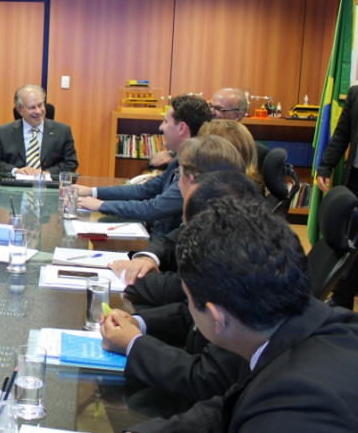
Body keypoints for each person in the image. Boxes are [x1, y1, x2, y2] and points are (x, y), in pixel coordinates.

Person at [126, 196, 358, 432]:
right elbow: (230, 406)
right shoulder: (318, 326)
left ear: (217, 318)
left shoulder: (292, 413)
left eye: (189, 299)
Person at [101, 172, 261, 405]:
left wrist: (134, 343)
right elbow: (190, 316)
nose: (183, 233)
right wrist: (138, 323)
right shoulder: (242, 258)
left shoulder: (241, 296)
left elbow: (206, 380)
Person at [111, 136, 246, 288]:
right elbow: (172, 239)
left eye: (178, 175)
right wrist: (148, 258)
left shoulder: (220, 229)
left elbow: (185, 289)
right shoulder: (216, 211)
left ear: (192, 180)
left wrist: (127, 274)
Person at [76, 94, 211, 238]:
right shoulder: (179, 157)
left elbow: (153, 208)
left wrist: (100, 205)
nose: (161, 127)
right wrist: (92, 191)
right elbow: (145, 190)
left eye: (166, 121)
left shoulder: (196, 167)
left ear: (182, 128)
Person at [316, 84, 358, 309]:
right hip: (356, 178)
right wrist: (326, 166)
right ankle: (342, 298)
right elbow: (342, 133)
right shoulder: (355, 94)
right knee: (349, 242)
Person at [0, 84, 78, 176]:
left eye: (40, 105)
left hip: (48, 186)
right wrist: (15, 171)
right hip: (16, 185)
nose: (38, 111)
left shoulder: (63, 131)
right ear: (20, 110)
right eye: (32, 107)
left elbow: (71, 163)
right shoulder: (4, 131)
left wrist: (46, 173)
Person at [149, 87, 248, 167]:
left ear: (237, 116)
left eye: (219, 108)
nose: (211, 112)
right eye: (210, 106)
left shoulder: (241, 147)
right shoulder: (202, 133)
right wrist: (170, 154)